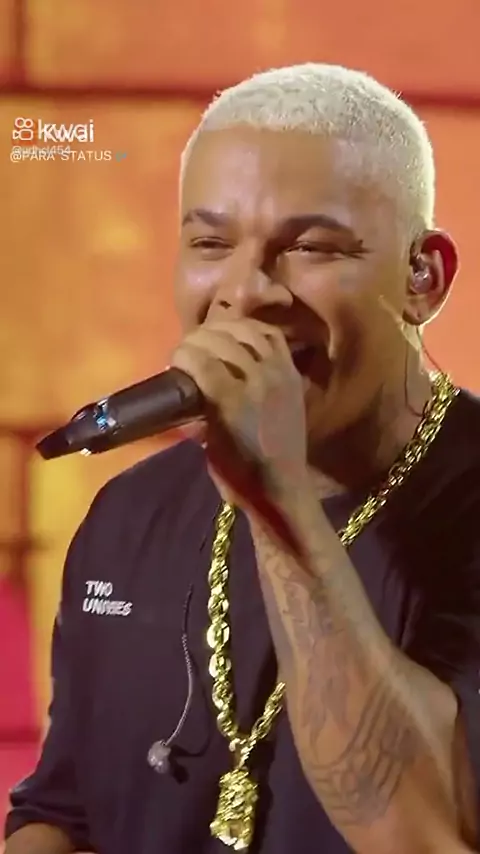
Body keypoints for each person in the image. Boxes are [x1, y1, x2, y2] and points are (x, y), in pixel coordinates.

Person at [4, 63, 480, 854]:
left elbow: (423, 834)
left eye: (310, 246)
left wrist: (276, 499)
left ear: (421, 277)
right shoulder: (130, 512)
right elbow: (66, 810)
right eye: (211, 243)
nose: (246, 290)